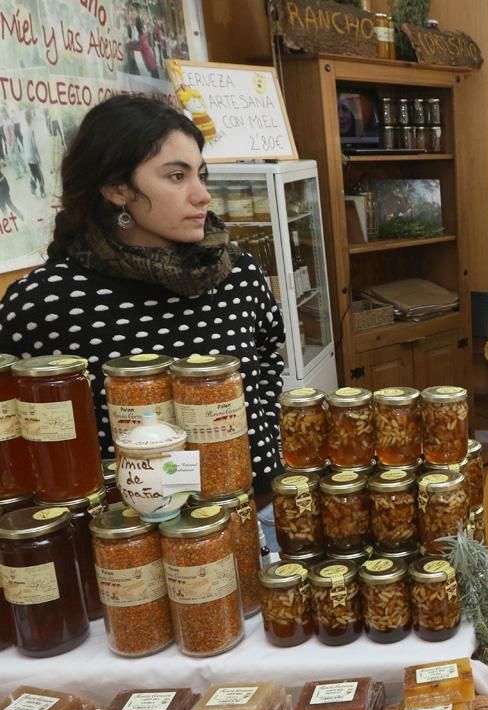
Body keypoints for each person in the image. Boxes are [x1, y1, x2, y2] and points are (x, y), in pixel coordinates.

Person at [0, 95, 284, 493]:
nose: (202, 195)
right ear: (117, 188)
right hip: (124, 533)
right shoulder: (46, 303)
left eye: (201, 175)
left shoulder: (236, 275)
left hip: (252, 505)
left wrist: (262, 433)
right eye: (176, 176)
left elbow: (268, 358)